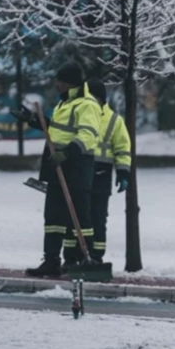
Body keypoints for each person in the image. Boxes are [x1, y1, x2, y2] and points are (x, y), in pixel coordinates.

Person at [12, 60, 102, 278]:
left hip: (76, 168)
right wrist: (34, 120)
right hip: (56, 166)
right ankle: (51, 260)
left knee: (79, 217)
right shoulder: (65, 104)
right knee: (53, 218)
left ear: (70, 83)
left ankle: (86, 259)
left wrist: (67, 153)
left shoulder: (87, 105)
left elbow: (88, 136)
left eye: (60, 81)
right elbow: (55, 129)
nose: (56, 84)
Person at [87, 79, 131, 263]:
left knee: (98, 217)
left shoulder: (114, 120)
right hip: (81, 171)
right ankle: (76, 255)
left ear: (100, 98)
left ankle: (96, 256)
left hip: (101, 174)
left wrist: (123, 172)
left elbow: (122, 147)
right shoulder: (80, 115)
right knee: (78, 217)